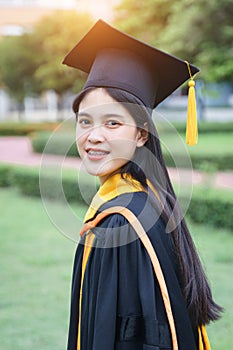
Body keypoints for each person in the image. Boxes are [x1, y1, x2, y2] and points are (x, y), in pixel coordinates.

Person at [63, 20, 222, 350]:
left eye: (113, 122)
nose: (93, 136)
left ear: (141, 134)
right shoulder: (150, 198)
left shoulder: (120, 222)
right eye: (85, 122)